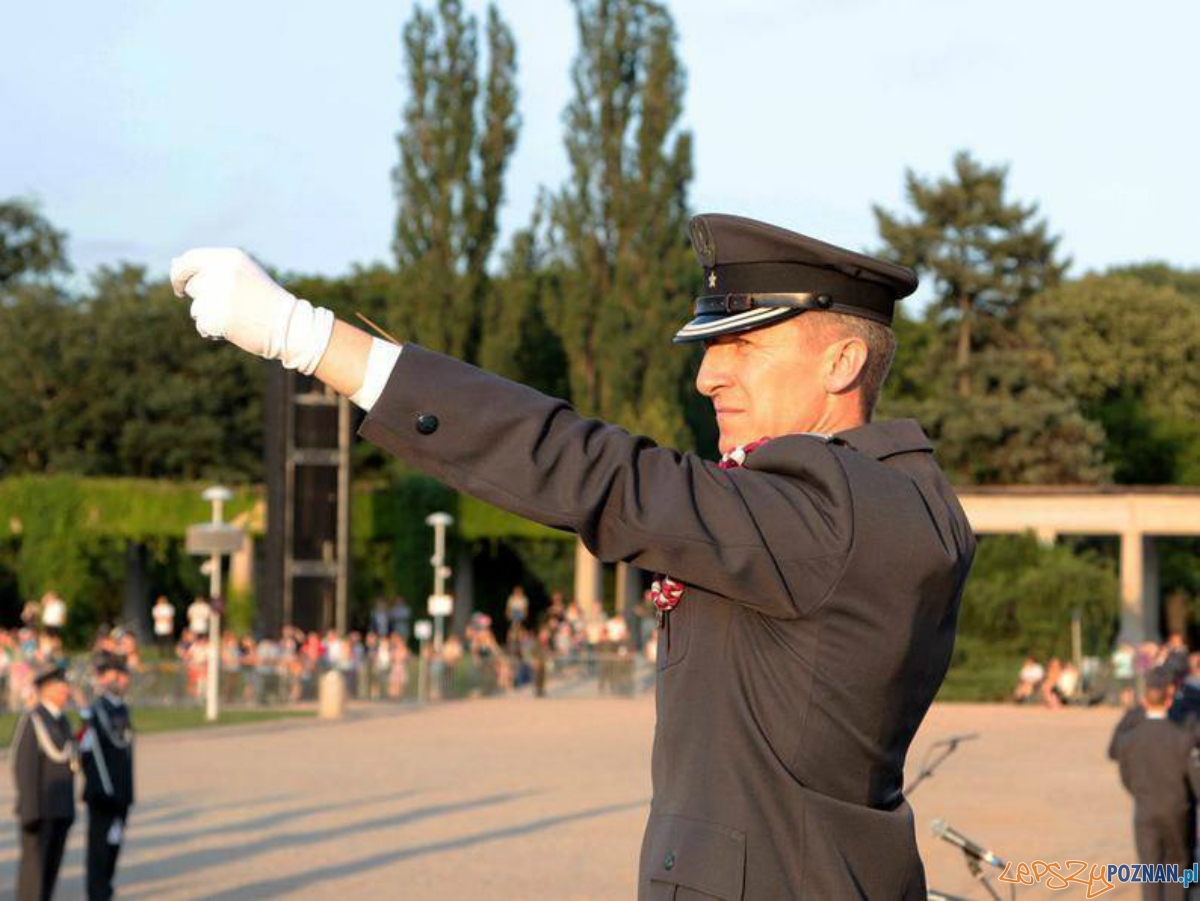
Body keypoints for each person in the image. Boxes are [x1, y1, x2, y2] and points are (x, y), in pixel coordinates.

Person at [171, 212, 975, 897]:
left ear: (843, 361)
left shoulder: (839, 508)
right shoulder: (871, 504)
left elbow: (597, 472)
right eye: (709, 345)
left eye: (745, 345)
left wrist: (311, 339)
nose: (707, 374)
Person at [1108, 668, 1198, 901]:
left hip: (1145, 809)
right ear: (1169, 700)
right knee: (1177, 868)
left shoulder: (1130, 739)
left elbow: (1126, 775)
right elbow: (1194, 781)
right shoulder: (1182, 739)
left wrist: (1142, 793)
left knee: (1150, 872)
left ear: (1144, 700)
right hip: (1177, 810)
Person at [11, 662, 77, 901]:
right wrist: (30, 813)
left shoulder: (62, 720)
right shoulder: (34, 719)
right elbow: (24, 767)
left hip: (60, 811)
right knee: (34, 880)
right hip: (40, 812)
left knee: (49, 876)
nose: (66, 690)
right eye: (60, 685)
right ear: (46, 689)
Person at [80, 653, 135, 901]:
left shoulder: (121, 709)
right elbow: (87, 753)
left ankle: (106, 891)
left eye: (123, 675)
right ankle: (97, 894)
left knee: (113, 848)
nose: (122, 679)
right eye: (116, 674)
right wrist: (102, 789)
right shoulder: (96, 711)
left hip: (121, 791)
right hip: (103, 792)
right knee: (99, 851)